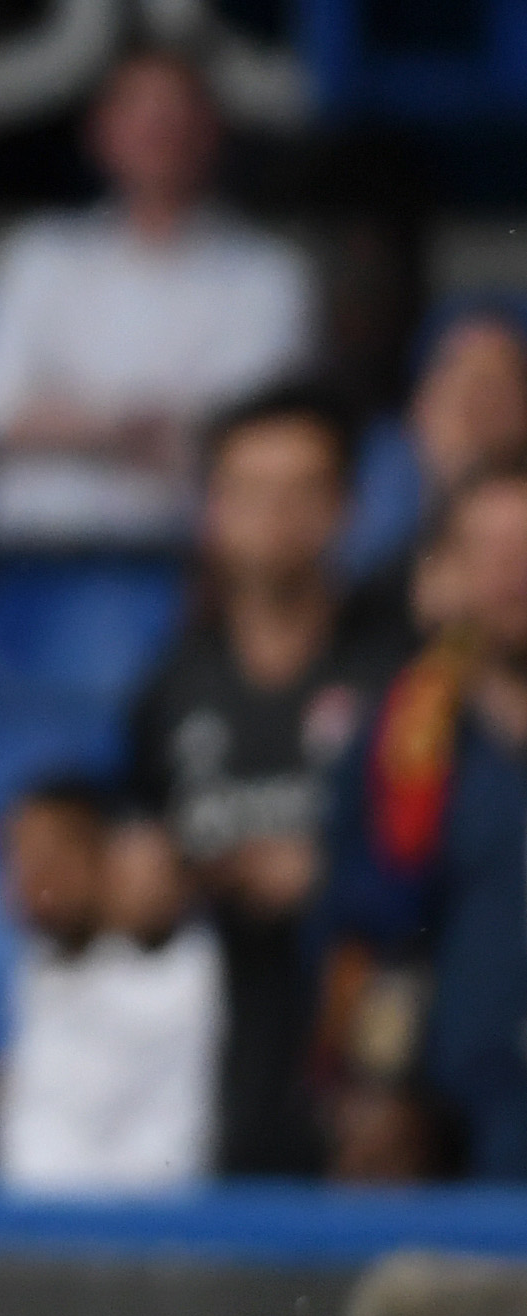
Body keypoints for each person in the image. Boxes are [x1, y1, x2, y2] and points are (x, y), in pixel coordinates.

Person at [125, 387, 404, 1175]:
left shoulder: (397, 676)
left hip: (367, 1073)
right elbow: (143, 862)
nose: (274, 515)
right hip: (213, 1071)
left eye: (301, 491)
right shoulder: (171, 684)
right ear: (211, 510)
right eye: (249, 491)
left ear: (344, 508)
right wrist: (148, 887)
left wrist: (333, 877)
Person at [0, 46, 317, 549]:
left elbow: (243, 438)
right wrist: (131, 429)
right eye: (139, 111)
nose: (158, 131)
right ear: (101, 130)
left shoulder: (266, 274)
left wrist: (65, 420)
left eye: (175, 112)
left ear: (211, 129)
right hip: (30, 560)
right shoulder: (40, 255)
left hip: (193, 563)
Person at [320, 468, 527, 1178]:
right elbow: (365, 936)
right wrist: (373, 1091)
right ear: (446, 573)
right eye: (489, 550)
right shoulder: (397, 744)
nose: (512, 574)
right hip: (450, 1138)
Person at [0, 783, 222, 1192]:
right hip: (29, 1231)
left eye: (51, 857)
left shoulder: (186, 965)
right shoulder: (35, 965)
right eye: (18, 857)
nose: (31, 877)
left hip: (154, 1233)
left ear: (106, 860)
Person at [340, 309, 527, 623]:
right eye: (463, 386)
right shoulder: (374, 534)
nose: (478, 408)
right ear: (420, 404)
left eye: (496, 389)